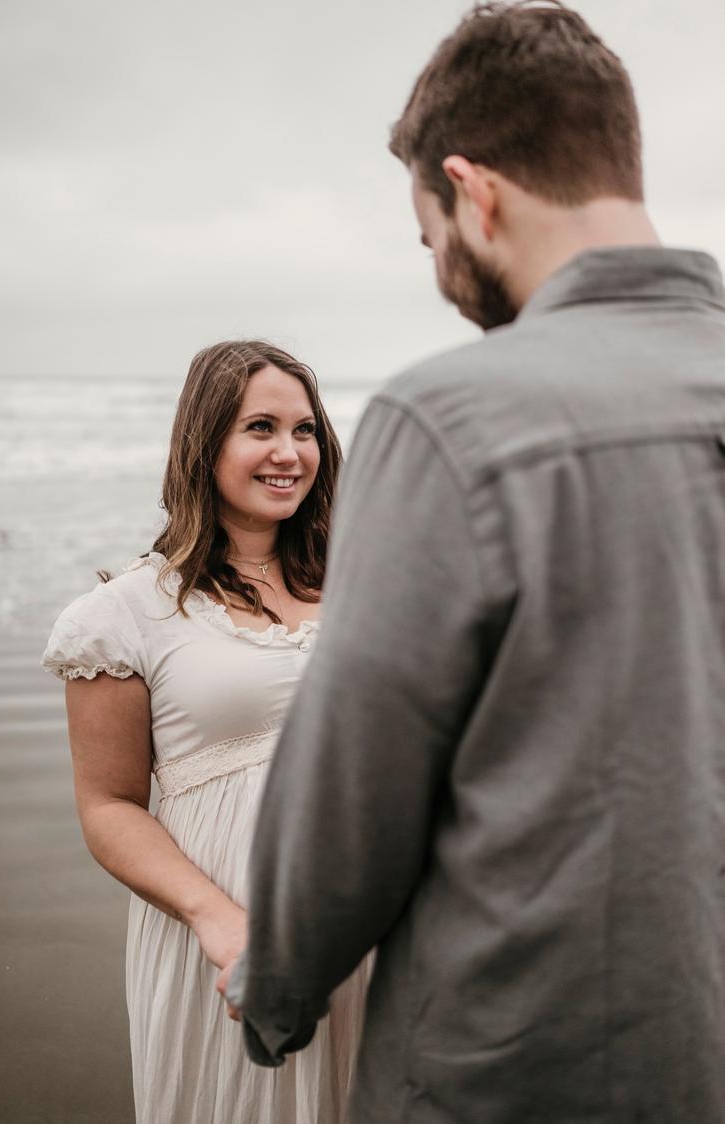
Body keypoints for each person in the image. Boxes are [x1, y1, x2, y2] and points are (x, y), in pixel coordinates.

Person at [221, 4, 725, 1123]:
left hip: (516, 1063)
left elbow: (351, 789)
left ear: (474, 191)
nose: (440, 266)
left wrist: (276, 992)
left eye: (429, 233)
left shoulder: (454, 420)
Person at [41, 340, 369, 1124]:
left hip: (373, 924)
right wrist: (221, 925)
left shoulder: (371, 583)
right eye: (260, 427)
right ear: (206, 441)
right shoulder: (125, 613)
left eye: (306, 430)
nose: (290, 452)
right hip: (223, 944)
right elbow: (110, 806)